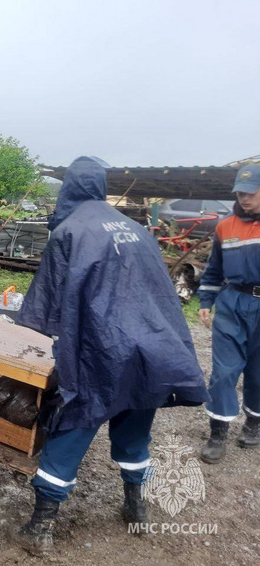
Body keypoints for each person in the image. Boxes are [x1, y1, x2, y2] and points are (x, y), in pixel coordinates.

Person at [15, 156, 209, 554]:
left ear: (70, 187)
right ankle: (136, 509)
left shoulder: (69, 231)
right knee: (136, 425)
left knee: (73, 422)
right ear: (101, 187)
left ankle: (41, 527)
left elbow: (43, 311)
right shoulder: (138, 229)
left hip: (99, 350)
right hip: (150, 348)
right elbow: (159, 293)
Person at [197, 164, 260, 463]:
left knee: (258, 373)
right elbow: (214, 270)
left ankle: (254, 422)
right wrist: (206, 301)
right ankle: (218, 432)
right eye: (240, 193)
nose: (244, 198)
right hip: (233, 303)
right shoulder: (226, 226)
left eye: (250, 192)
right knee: (223, 372)